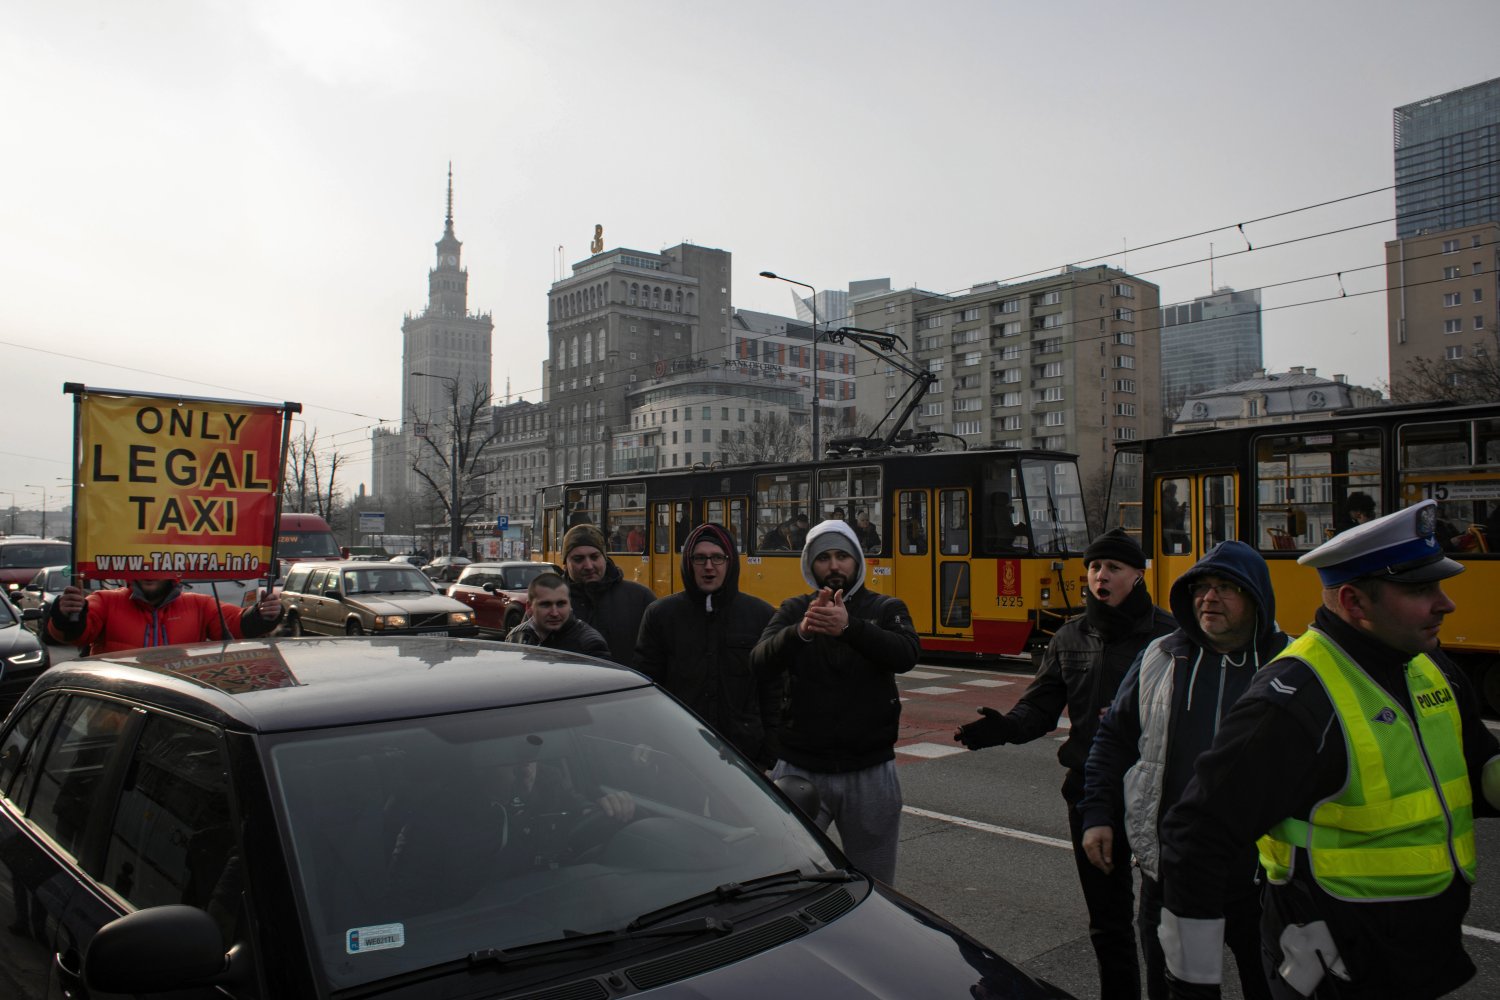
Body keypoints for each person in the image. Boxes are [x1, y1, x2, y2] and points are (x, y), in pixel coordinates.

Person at [1157, 499, 1500, 1000]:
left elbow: (1477, 768)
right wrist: (1193, 987)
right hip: (1333, 974)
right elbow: (1194, 839)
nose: (1445, 603)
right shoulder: (1296, 695)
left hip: (1423, 961)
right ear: (1354, 603)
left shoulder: (1430, 666)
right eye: (1421, 589)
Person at [954, 527, 1176, 1000]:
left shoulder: (1169, 637)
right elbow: (1040, 707)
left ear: (1137, 575)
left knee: (1163, 918)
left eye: (1113, 568)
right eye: (1095, 567)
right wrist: (1006, 728)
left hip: (1160, 793)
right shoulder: (1071, 636)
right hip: (1091, 793)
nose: (1101, 576)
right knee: (1108, 920)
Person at [1080, 540, 1286, 1000]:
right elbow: (1114, 738)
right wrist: (1097, 813)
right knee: (1175, 990)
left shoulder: (1289, 664)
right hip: (1174, 875)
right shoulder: (1162, 657)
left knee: (1271, 987)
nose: (1209, 598)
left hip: (1261, 881)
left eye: (1226, 588)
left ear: (1256, 597)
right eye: (1202, 588)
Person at [750, 520, 920, 884]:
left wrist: (850, 628)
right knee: (785, 878)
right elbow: (759, 661)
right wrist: (800, 633)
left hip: (870, 769)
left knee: (875, 882)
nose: (834, 566)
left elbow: (906, 653)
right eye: (823, 557)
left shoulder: (885, 607)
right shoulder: (796, 609)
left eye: (842, 555)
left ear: (857, 560)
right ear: (810, 564)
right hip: (800, 767)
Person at [635, 523, 781, 767]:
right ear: (688, 564)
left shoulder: (760, 615)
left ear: (730, 562)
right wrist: (645, 739)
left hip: (743, 755)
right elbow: (647, 685)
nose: (709, 566)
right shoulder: (661, 615)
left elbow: (773, 691)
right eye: (700, 558)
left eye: (717, 558)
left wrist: (771, 756)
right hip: (678, 752)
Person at [48, 576, 283, 656]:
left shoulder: (200, 605)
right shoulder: (105, 601)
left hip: (177, 717)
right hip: (113, 720)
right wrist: (65, 614)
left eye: (157, 563)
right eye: (143, 563)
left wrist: (263, 615)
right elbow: (74, 636)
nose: (150, 572)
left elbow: (237, 625)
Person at [559, 523, 654, 665]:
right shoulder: (547, 602)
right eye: (578, 559)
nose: (589, 566)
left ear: (604, 557)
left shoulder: (640, 598)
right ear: (565, 563)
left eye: (594, 557)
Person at [504, 572, 611, 657]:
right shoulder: (515, 637)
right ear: (529, 607)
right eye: (545, 605)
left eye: (561, 604)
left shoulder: (589, 644)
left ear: (570, 604)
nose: (554, 613)